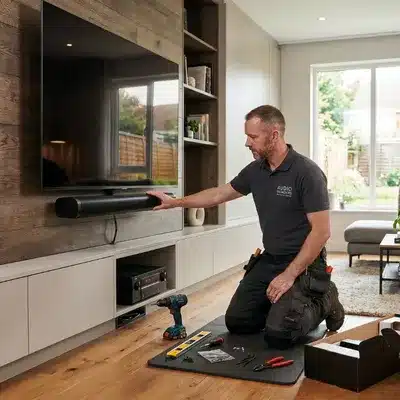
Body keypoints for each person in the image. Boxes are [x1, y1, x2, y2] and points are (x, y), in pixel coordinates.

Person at [147, 105, 345, 348]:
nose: (247, 143)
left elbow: (322, 231)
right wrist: (175, 202)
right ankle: (286, 305)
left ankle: (326, 298)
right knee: (239, 322)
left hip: (304, 264)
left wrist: (289, 275)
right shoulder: (256, 171)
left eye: (253, 137)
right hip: (271, 259)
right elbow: (218, 194)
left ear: (274, 135)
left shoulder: (307, 173)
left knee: (280, 333)